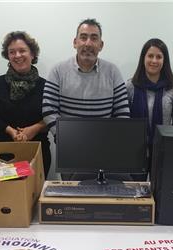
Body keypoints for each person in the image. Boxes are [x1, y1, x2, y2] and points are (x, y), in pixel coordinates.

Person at [42, 18, 130, 181]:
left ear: (101, 45)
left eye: (94, 38)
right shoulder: (58, 71)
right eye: (83, 37)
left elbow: (122, 112)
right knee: (74, 202)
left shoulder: (112, 72)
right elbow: (48, 109)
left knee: (104, 200)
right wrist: (66, 138)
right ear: (75, 42)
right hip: (71, 150)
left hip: (106, 150)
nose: (88, 43)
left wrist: (110, 142)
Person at [0, 31, 51, 177]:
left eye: (22, 51)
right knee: (5, 197)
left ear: (32, 54)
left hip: (37, 151)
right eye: (12, 52)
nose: (17, 55)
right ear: (7, 56)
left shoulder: (46, 85)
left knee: (34, 197)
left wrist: (35, 128)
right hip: (3, 153)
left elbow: (52, 116)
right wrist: (11, 131)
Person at [126, 38, 173, 180]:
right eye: (150, 56)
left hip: (163, 150)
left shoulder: (172, 87)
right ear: (143, 58)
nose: (154, 61)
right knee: (136, 192)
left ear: (164, 61)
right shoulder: (131, 86)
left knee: (161, 192)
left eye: (159, 57)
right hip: (135, 151)